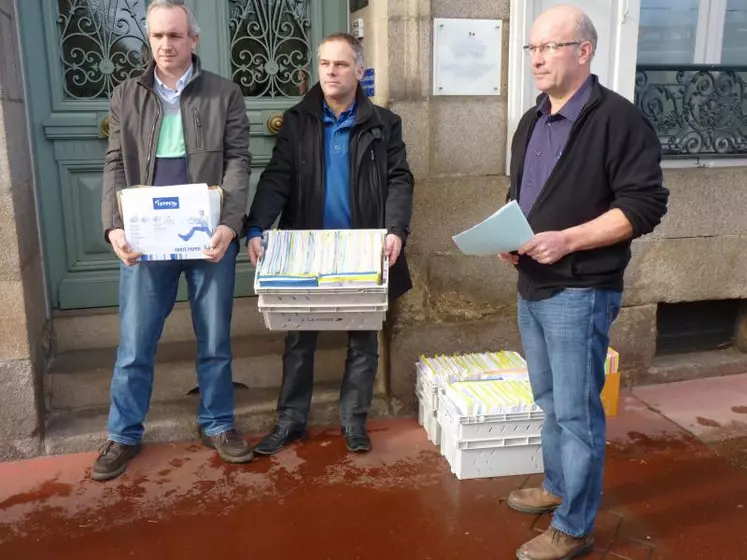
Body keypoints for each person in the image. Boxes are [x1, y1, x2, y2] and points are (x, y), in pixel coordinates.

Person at [498, 5, 669, 559]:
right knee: (550, 400)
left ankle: (574, 526)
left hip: (581, 289)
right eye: (532, 49)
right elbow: (520, 193)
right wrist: (508, 230)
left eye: (548, 47)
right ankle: (557, 486)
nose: (537, 58)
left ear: (584, 51)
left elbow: (644, 205)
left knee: (577, 412)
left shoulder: (619, 120)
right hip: (533, 284)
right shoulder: (532, 119)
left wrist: (567, 239)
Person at [96, 0, 253, 481]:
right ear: (150, 39)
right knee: (135, 342)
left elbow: (238, 161)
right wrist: (113, 225)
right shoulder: (126, 94)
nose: (166, 45)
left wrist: (231, 222)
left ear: (194, 40)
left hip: (207, 237)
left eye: (176, 36)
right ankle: (123, 433)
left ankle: (219, 422)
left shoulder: (224, 94)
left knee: (215, 338)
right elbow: (115, 164)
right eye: (159, 36)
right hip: (146, 238)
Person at [244, 32, 414, 455]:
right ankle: (290, 421)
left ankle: (354, 421)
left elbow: (399, 179)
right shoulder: (298, 120)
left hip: (363, 247)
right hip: (307, 248)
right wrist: (256, 227)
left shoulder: (384, 124)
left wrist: (396, 229)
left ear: (360, 70)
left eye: (340, 64)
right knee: (299, 338)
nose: (331, 72)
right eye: (324, 64)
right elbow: (276, 177)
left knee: (364, 338)